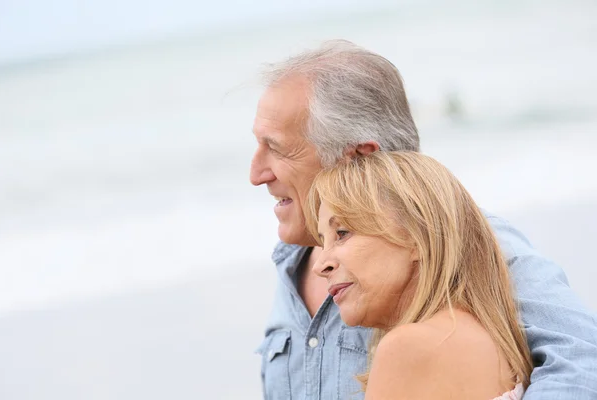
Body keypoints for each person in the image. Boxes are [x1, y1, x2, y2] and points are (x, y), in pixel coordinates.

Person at [250, 40, 597, 400]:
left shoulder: (471, 242)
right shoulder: (293, 262)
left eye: (276, 148)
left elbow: (581, 360)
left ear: (357, 158)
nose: (255, 174)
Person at [305, 151, 532, 399]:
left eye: (342, 232)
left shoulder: (409, 347)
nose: (320, 265)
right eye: (322, 242)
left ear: (416, 235)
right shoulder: (501, 342)